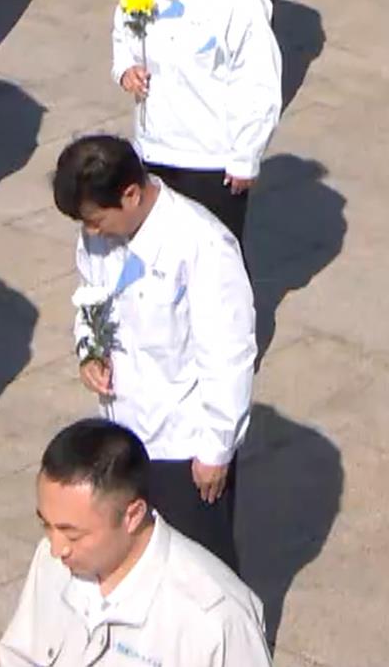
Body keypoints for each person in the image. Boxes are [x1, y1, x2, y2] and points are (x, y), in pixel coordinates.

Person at [50, 135, 256, 572]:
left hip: (183, 443)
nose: (90, 232)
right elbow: (90, 297)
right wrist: (90, 351)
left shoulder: (202, 243)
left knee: (200, 570)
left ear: (130, 194)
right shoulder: (98, 236)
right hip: (123, 433)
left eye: (95, 220)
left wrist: (216, 449)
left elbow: (229, 353)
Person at [0, 420, 270, 666]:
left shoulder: (217, 619)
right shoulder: (49, 559)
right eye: (47, 525)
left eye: (73, 534)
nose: (56, 549)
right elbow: (19, 655)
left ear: (133, 515)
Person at [111, 0, 283, 245]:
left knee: (213, 256)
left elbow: (258, 84)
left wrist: (245, 156)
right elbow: (124, 33)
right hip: (153, 150)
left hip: (209, 161)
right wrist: (126, 68)